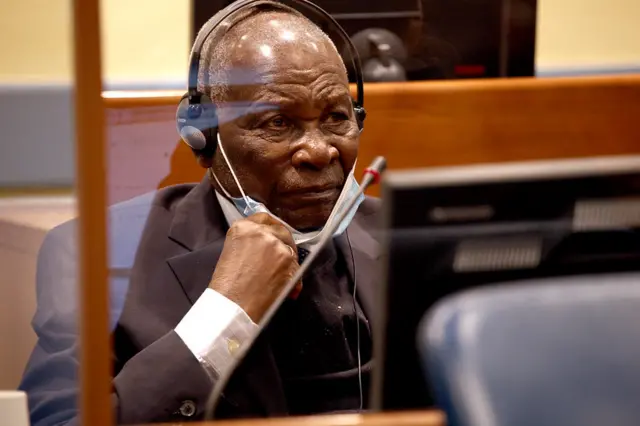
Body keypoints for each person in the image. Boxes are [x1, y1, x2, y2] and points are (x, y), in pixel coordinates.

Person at [20, 1, 381, 424]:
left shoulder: (406, 232)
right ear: (202, 135)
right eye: (278, 123)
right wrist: (224, 315)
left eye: (336, 117)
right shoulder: (94, 253)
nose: (320, 152)